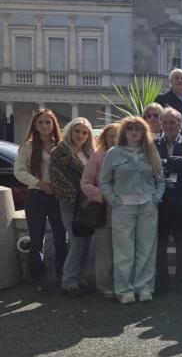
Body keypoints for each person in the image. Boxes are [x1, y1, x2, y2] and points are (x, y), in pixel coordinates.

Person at [99, 116, 165, 303]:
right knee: (124, 249)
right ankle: (124, 289)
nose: (134, 133)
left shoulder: (151, 152)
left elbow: (160, 180)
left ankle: (144, 287)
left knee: (146, 248)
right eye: (130, 129)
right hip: (123, 207)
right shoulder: (114, 153)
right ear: (124, 132)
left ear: (144, 132)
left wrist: (155, 199)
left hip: (147, 206)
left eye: (137, 129)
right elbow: (104, 181)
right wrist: (114, 200)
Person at [14, 109, 66, 294]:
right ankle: (38, 279)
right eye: (41, 122)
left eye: (48, 122)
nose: (45, 126)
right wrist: (39, 183)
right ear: (35, 126)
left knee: (62, 238)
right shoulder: (28, 146)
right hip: (36, 197)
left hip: (58, 198)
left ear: (54, 125)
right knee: (37, 239)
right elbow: (19, 171)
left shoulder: (60, 145)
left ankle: (63, 276)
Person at [154, 108, 182, 295]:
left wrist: (165, 162)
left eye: (173, 122)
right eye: (165, 122)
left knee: (181, 240)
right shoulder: (153, 143)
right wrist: (174, 162)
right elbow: (151, 164)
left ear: (180, 124)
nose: (169, 126)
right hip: (160, 199)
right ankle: (162, 280)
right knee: (161, 241)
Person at [50, 117, 95, 297]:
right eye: (77, 131)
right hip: (70, 202)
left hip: (88, 204)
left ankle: (80, 279)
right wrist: (75, 195)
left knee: (85, 242)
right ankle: (68, 281)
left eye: (85, 133)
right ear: (70, 131)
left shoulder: (90, 152)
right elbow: (56, 177)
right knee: (77, 241)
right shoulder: (60, 151)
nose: (80, 135)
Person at [80, 122, 121, 298]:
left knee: (122, 251)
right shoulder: (97, 157)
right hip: (103, 211)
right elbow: (85, 183)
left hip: (124, 210)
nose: (115, 139)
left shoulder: (129, 155)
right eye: (111, 135)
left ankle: (121, 283)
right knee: (104, 251)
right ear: (105, 137)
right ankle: (104, 284)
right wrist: (104, 196)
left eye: (118, 135)